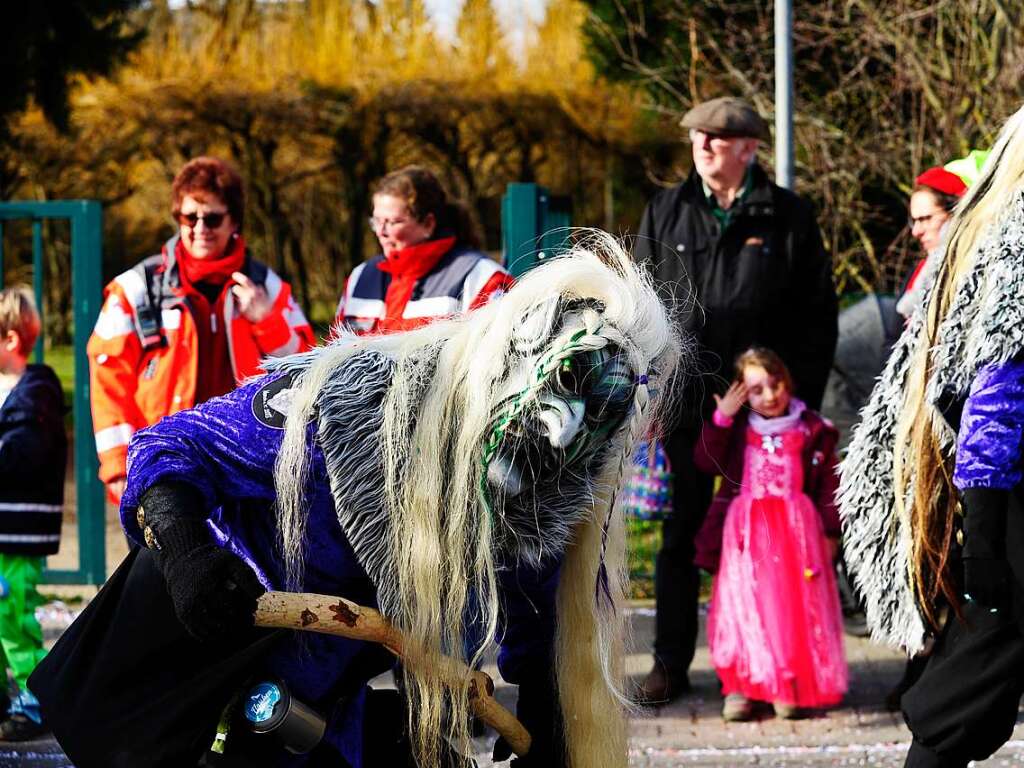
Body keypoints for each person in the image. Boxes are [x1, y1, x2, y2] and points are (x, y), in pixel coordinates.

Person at [29, 236, 683, 768]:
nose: (564, 431)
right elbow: (173, 448)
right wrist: (185, 551)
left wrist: (549, 725)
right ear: (523, 357)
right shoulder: (347, 404)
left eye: (601, 409)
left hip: (305, 708)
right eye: (569, 385)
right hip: (191, 650)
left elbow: (536, 621)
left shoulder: (542, 505)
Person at [633, 96, 838, 703]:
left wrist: (794, 402)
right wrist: (650, 397)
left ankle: (761, 666)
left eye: (716, 138)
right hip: (687, 407)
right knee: (680, 535)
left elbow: (816, 316)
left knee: (763, 540)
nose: (702, 146)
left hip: (764, 414)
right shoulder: (666, 210)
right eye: (696, 135)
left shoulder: (787, 215)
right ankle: (669, 663)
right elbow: (641, 308)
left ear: (749, 148)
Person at [840, 105, 1024, 767]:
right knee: (970, 687)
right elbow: (994, 384)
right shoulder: (1015, 229)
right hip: (1008, 502)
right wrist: (983, 524)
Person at [88, 156, 315, 502]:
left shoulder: (266, 287)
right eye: (189, 217)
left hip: (248, 467)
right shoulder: (136, 289)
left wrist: (267, 320)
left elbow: (306, 369)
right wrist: (120, 465)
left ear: (234, 221)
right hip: (165, 463)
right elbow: (108, 378)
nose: (199, 228)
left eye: (212, 218)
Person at [692, 348, 847, 721]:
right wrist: (723, 418)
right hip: (747, 539)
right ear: (743, 393)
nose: (769, 396)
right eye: (757, 389)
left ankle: (786, 682)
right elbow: (703, 460)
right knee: (746, 607)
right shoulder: (739, 429)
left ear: (787, 382)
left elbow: (830, 484)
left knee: (791, 610)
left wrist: (830, 532)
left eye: (775, 385)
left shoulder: (812, 428)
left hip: (796, 538)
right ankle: (741, 686)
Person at [334, 166, 512, 334]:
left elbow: (494, 359)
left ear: (428, 224)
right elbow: (333, 354)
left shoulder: (482, 278)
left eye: (393, 222)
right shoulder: (361, 277)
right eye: (377, 221)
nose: (381, 232)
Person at [0, 288, 66, 740]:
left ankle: (35, 701)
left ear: (9, 339)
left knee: (13, 614)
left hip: (16, 532)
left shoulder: (35, 392)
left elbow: (22, 452)